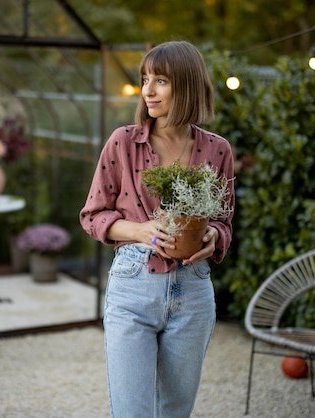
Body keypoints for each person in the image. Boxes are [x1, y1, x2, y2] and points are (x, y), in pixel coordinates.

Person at [79, 41, 235, 418]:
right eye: (145, 79)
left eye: (160, 80)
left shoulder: (218, 151)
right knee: (133, 412)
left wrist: (212, 236)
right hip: (133, 287)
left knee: (174, 411)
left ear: (187, 85)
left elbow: (224, 221)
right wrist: (142, 231)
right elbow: (93, 215)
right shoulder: (123, 142)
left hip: (194, 291)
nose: (148, 90)